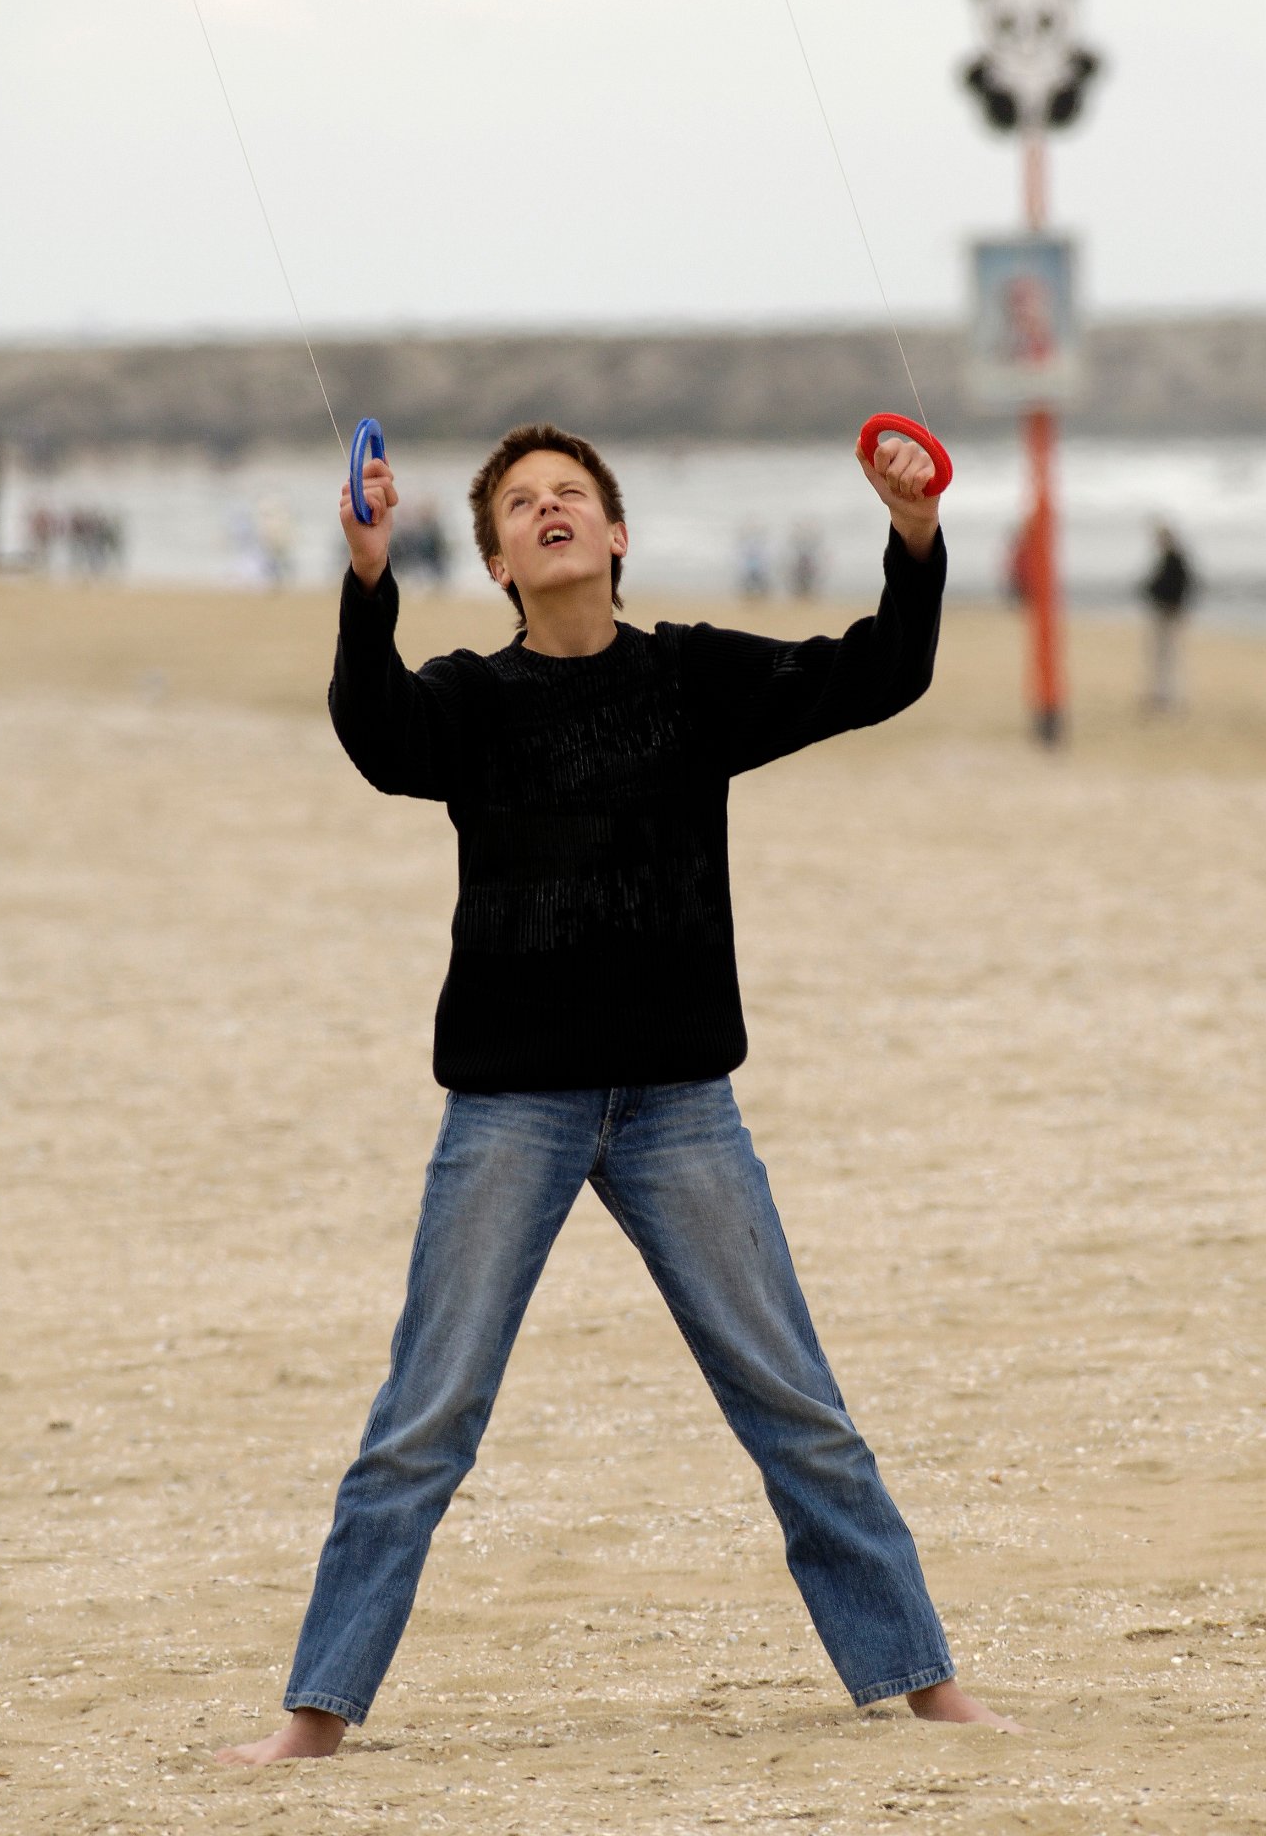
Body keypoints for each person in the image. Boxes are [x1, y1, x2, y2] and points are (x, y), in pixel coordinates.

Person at [218, 420, 1022, 1766]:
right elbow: (376, 733)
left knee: (795, 1407)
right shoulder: (468, 703)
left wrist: (915, 534)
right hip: (511, 1107)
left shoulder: (695, 678)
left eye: (571, 495)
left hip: (677, 1103)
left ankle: (921, 1678)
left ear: (615, 535)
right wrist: (366, 575)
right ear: (496, 561)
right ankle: (316, 1716)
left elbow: (881, 671)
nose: (549, 510)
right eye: (520, 505)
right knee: (424, 1420)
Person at [1140, 521, 1198, 712]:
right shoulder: (1167, 559)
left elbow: (1182, 585)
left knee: (1168, 655)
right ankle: (1160, 694)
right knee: (1159, 655)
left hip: (1169, 613)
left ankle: (1168, 697)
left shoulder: (1175, 560)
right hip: (1163, 611)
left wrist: (1175, 605)